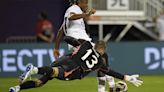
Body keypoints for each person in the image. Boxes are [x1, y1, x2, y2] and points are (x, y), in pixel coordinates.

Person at [9, 36, 143, 92]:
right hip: (72, 69)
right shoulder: (99, 63)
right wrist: (127, 78)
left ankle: (17, 88)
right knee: (56, 73)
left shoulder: (85, 44)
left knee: (40, 82)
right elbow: (110, 72)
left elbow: (68, 39)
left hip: (64, 59)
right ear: (103, 51)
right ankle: (33, 69)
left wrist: (72, 42)